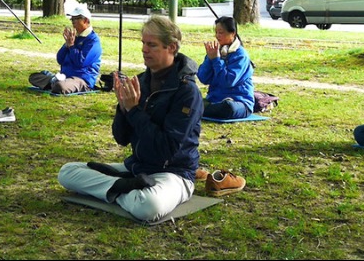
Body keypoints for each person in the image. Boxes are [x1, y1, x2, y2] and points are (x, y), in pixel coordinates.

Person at [57, 16, 245, 223]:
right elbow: (121, 138)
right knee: (67, 172)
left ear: (171, 47)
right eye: (143, 44)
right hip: (138, 169)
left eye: (152, 45)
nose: (144, 50)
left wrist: (134, 110)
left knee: (148, 206)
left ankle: (118, 189)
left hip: (174, 174)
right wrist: (123, 107)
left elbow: (166, 148)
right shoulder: (141, 82)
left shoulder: (187, 93)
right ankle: (125, 189)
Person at [29, 3, 101, 94]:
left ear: (86, 20)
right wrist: (66, 45)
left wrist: (71, 46)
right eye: (72, 19)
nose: (73, 22)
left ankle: (55, 81)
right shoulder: (74, 37)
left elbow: (81, 62)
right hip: (65, 76)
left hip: (82, 79)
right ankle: (55, 81)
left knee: (60, 86)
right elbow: (60, 59)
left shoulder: (93, 41)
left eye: (76, 19)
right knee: (33, 77)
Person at [198, 16, 254, 120]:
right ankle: (201, 109)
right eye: (216, 32)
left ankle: (200, 110)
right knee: (187, 101)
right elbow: (203, 78)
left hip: (239, 101)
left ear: (232, 33)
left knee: (228, 108)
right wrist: (209, 59)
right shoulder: (216, 51)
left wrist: (216, 60)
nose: (217, 36)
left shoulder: (241, 55)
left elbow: (228, 81)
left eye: (221, 32)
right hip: (215, 100)